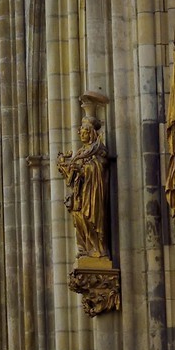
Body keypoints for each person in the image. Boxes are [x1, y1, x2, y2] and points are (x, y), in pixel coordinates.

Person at [57, 105, 109, 259]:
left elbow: (99, 168)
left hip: (92, 194)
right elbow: (70, 176)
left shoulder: (98, 150)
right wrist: (64, 165)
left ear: (92, 133)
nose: (81, 134)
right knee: (80, 220)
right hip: (80, 195)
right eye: (80, 131)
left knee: (91, 219)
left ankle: (97, 249)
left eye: (85, 131)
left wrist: (83, 169)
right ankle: (86, 247)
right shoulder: (80, 153)